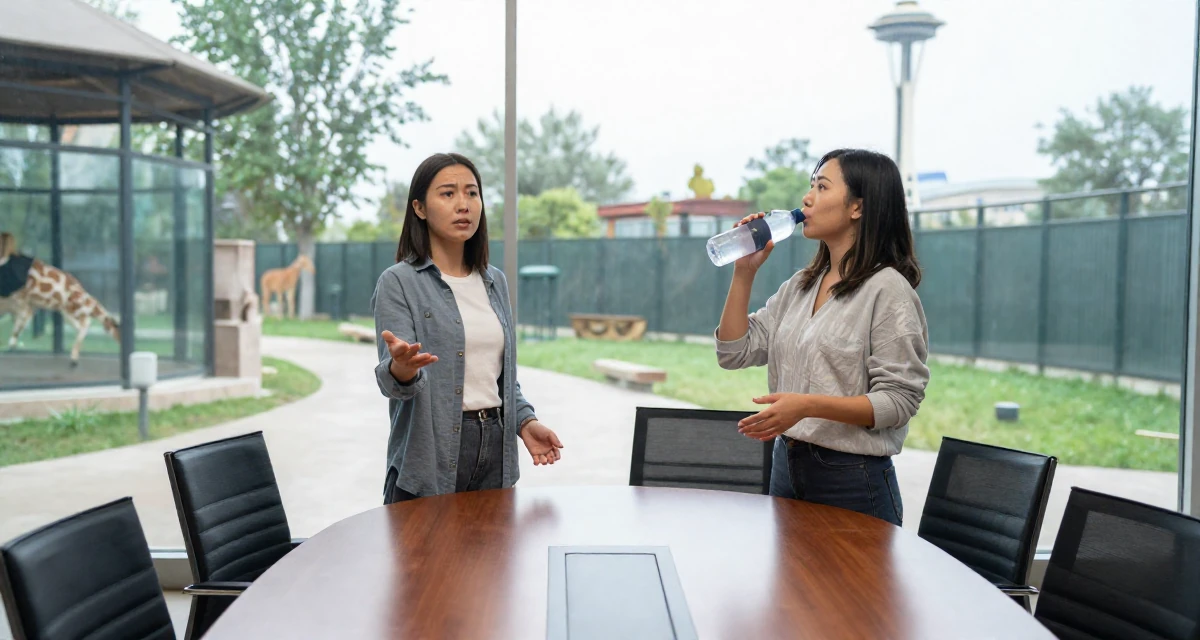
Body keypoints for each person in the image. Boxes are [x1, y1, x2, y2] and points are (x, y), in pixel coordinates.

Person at [714, 148, 929, 525]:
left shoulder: (887, 291)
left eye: (822, 186)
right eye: (810, 185)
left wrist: (808, 405)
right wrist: (743, 273)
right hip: (787, 468)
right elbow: (734, 352)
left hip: (851, 482)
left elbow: (898, 402)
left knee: (847, 587)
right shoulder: (800, 285)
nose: (806, 198)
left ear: (857, 208)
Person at [371, 152, 564, 504]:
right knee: (424, 561)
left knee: (492, 560)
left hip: (495, 453)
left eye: (472, 193)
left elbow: (500, 378)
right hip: (429, 460)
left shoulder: (495, 282)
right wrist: (402, 367)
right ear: (420, 208)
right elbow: (393, 383)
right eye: (448, 194)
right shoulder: (398, 282)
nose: (464, 204)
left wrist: (524, 422)